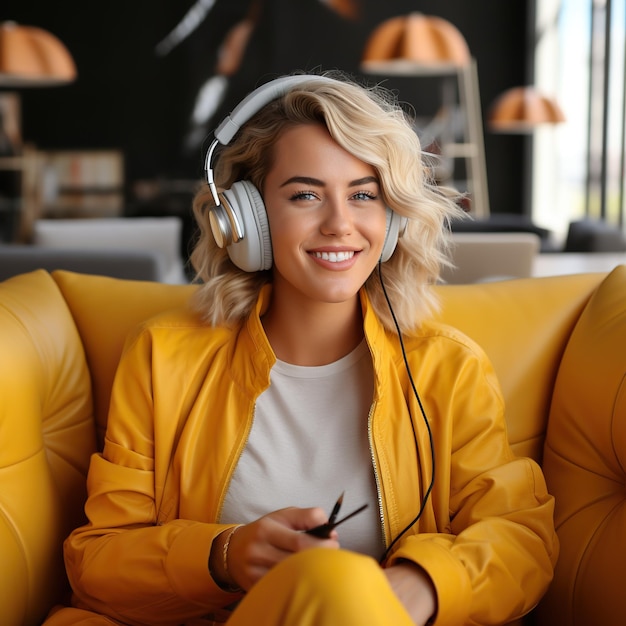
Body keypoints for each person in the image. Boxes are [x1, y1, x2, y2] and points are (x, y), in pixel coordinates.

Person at [45, 71, 558, 626]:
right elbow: (98, 561)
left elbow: (518, 538)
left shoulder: (449, 368)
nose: (340, 224)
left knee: (339, 584)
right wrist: (224, 555)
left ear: (391, 223)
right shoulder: (163, 357)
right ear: (245, 220)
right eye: (306, 195)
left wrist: (419, 585)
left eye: (363, 195)